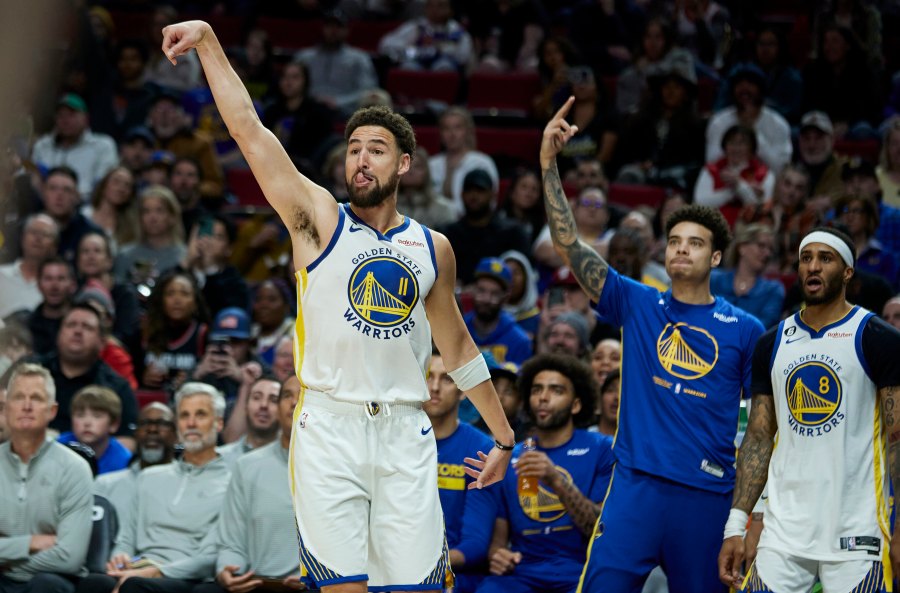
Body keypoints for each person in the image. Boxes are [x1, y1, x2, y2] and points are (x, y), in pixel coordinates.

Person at [161, 19, 514, 593]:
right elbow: (250, 131)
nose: (361, 160)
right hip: (329, 427)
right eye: (353, 149)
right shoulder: (318, 218)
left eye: (377, 150)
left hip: (404, 430)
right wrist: (208, 41)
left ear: (403, 164)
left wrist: (502, 437)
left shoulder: (433, 248)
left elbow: (458, 347)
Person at [540, 97, 764, 592]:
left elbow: (761, 426)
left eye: (696, 242)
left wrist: (749, 513)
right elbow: (569, 245)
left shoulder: (745, 328)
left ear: (717, 256)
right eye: (675, 240)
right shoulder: (637, 302)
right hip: (634, 487)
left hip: (706, 494)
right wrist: (549, 165)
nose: (681, 248)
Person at [718, 227, 900, 592]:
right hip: (782, 533)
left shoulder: (877, 338)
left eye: (825, 258)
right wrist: (737, 527)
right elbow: (757, 439)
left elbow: (897, 439)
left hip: (857, 532)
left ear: (847, 272)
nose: (813, 267)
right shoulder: (771, 342)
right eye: (806, 258)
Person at [472, 353, 615, 593]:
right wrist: (498, 555)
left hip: (580, 571)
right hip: (522, 574)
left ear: (577, 404)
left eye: (556, 390)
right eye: (537, 390)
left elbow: (600, 531)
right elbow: (499, 536)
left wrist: (556, 480)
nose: (543, 398)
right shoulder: (512, 454)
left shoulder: (601, 448)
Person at [77, 382, 231, 593]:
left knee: (135, 586)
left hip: (187, 576)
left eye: (201, 415)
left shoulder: (231, 482)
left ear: (219, 423)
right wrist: (119, 559)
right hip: (140, 568)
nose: (191, 423)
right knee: (94, 583)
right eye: (184, 416)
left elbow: (210, 557)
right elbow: (126, 538)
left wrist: (158, 572)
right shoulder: (150, 477)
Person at [194, 375, 306, 593]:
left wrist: (317, 577)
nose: (293, 402)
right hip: (255, 583)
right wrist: (227, 569)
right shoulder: (247, 466)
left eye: (303, 395)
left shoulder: (340, 467)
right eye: (286, 395)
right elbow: (232, 541)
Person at [0, 363, 94, 593]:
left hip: (49, 580)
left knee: (47, 585)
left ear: (52, 411)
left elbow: (69, 557)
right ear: (5, 408)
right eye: (19, 397)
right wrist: (29, 543)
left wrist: (7, 562)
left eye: (36, 398)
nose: (27, 406)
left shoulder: (75, 468)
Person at [8, 304, 138, 446]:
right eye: (71, 325)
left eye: (87, 327)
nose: (77, 331)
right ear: (58, 334)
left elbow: (127, 441)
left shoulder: (117, 386)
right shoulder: (27, 369)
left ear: (102, 342)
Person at [425, 351, 494, 593]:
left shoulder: (481, 449)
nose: (434, 387)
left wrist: (420, 567)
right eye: (427, 376)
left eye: (446, 379)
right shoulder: (390, 441)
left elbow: (475, 546)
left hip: (454, 573)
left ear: (463, 389)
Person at [93, 402, 177, 533]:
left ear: (176, 435)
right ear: (135, 433)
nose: (152, 429)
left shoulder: (189, 485)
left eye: (162, 423)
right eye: (144, 423)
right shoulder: (104, 485)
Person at [31, 93, 118, 200]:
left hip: (87, 207)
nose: (65, 120)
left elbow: (103, 185)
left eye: (71, 115)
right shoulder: (43, 145)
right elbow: (33, 182)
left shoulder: (103, 145)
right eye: (61, 115)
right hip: (45, 205)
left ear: (86, 118)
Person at [294, 9, 379, 118]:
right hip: (306, 110)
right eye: (329, 26)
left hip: (344, 112)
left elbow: (368, 91)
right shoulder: (305, 57)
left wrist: (338, 101)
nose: (333, 31)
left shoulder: (359, 58)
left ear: (347, 30)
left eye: (338, 27)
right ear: (323, 28)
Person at [710, 223, 785, 328]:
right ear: (742, 248)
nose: (767, 254)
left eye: (771, 249)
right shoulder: (713, 279)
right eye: (761, 246)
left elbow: (763, 327)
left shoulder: (773, 290)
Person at [465, 257, 533, 366]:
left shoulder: (520, 341)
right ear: (472, 290)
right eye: (481, 290)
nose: (486, 299)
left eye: (495, 294)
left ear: (506, 298)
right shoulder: (459, 328)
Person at [57, 385, 131, 475]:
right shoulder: (57, 447)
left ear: (113, 424)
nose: (87, 423)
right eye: (80, 415)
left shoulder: (124, 460)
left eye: (97, 416)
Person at [0, 213, 59, 319]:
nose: (38, 238)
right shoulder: (1, 275)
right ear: (22, 238)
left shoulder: (55, 287)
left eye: (45, 234)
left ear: (54, 246)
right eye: (33, 232)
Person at [218, 372, 280, 468]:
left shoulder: (294, 460)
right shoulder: (219, 458)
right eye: (257, 397)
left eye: (273, 400)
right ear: (246, 406)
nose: (264, 405)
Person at [26, 257, 76, 354]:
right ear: (38, 285)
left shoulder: (82, 326)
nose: (54, 286)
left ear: (72, 285)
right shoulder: (26, 325)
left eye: (61, 279)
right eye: (48, 279)